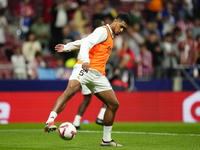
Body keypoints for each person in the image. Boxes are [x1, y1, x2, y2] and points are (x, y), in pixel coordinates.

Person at [44, 12, 130, 146]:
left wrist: (68, 46)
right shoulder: (103, 30)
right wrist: (84, 60)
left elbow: (84, 41)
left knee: (113, 104)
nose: (121, 30)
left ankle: (106, 140)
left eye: (124, 29)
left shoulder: (111, 36)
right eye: (121, 26)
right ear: (115, 21)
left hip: (98, 75)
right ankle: (50, 120)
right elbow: (87, 44)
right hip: (85, 68)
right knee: (71, 91)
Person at [73, 20, 106, 130]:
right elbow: (81, 58)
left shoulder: (88, 40)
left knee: (87, 99)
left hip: (84, 71)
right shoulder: (93, 41)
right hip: (90, 72)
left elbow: (79, 57)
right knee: (108, 97)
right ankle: (100, 117)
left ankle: (76, 123)